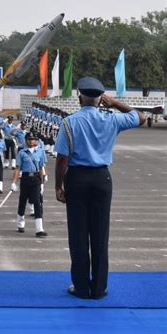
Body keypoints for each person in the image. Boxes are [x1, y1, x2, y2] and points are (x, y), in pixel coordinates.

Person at [55, 76, 146, 300]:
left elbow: (62, 159)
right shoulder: (111, 119)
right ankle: (99, 288)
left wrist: (58, 186)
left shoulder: (70, 122)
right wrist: (115, 103)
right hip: (102, 179)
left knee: (78, 235)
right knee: (100, 234)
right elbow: (140, 117)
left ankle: (81, 287)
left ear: (79, 96)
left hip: (77, 178)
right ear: (100, 98)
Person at [10, 132, 47, 237]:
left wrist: (43, 182)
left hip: (36, 179)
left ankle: (39, 228)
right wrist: (13, 182)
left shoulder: (40, 152)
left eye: (34, 139)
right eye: (29, 139)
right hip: (25, 178)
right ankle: (20, 223)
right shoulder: (22, 153)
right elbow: (18, 169)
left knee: (37, 202)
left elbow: (41, 167)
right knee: (23, 201)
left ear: (36, 141)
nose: (32, 141)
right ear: (26, 140)